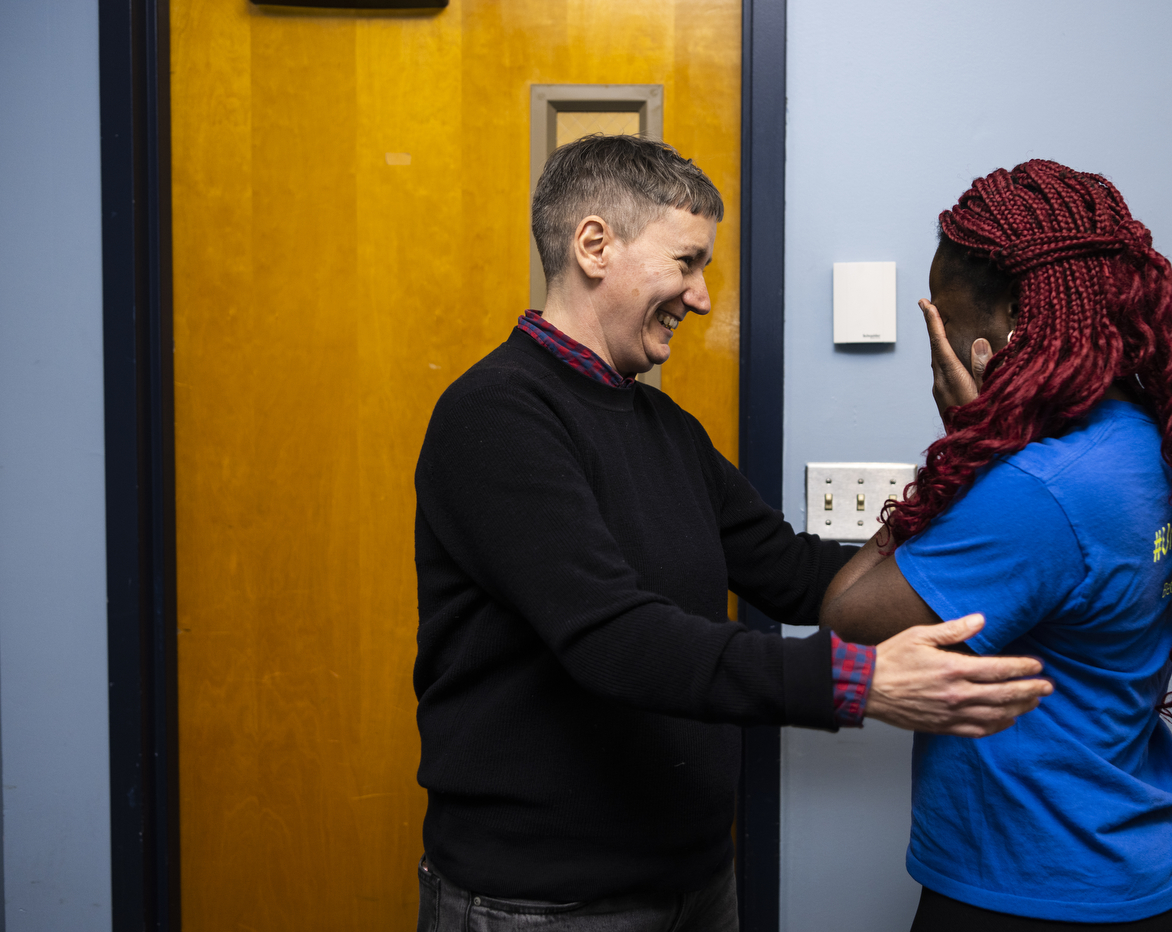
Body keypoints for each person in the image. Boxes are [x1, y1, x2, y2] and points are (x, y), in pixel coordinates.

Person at [412, 135, 1054, 931]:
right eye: (687, 262)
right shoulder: (495, 417)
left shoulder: (662, 425)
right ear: (593, 245)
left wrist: (967, 454)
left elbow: (797, 573)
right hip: (540, 903)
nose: (703, 295)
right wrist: (856, 682)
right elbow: (616, 638)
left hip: (696, 881)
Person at [822, 161, 1172, 931]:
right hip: (1145, 864)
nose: (942, 348)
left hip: (1035, 891)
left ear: (1001, 335)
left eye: (947, 323)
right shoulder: (1146, 434)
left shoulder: (1035, 491)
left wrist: (964, 449)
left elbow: (848, 612)